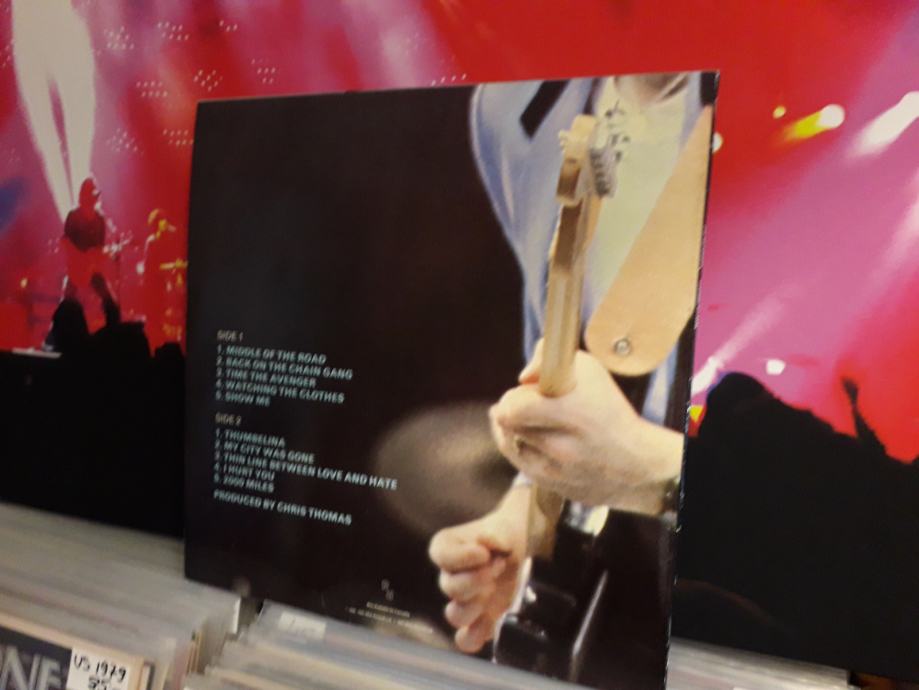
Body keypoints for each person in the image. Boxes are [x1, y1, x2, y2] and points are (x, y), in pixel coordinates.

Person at [428, 73, 707, 655]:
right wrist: (530, 510)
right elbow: (568, 353)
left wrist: (660, 474)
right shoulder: (507, 110)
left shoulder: (805, 114)